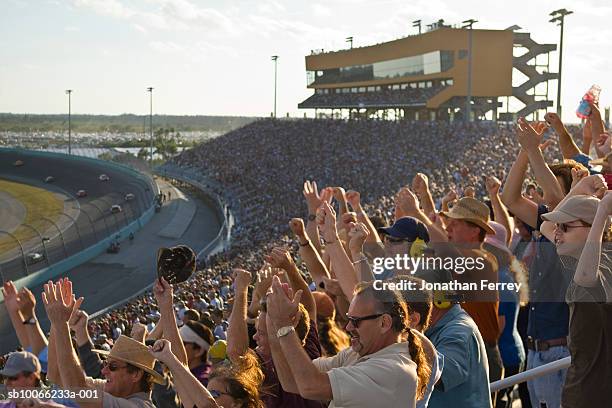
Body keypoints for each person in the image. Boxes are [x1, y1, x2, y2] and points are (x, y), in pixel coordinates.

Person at [266, 277, 430, 408]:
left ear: (384, 323)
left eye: (355, 320)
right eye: (349, 318)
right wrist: (275, 327)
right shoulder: (357, 353)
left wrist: (284, 326)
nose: (348, 326)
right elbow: (292, 382)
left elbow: (310, 386)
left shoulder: (394, 370)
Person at [539, 182, 611, 408]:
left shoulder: (603, 263)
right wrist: (578, 189)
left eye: (566, 227)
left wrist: (601, 212)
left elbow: (587, 278)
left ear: (592, 230)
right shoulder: (580, 256)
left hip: (594, 396)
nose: (558, 232)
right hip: (583, 392)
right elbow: (546, 228)